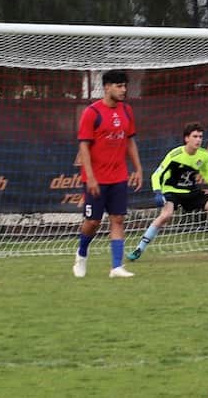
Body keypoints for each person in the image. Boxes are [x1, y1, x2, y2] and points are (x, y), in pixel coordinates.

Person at [128, 122, 208, 262]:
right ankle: (138, 249)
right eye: (195, 136)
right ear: (186, 138)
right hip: (172, 191)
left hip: (191, 191)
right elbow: (156, 175)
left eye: (200, 137)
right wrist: (157, 192)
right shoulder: (175, 154)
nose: (198, 140)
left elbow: (207, 172)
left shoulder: (203, 155)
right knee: (166, 215)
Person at [73, 70, 144, 278]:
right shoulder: (92, 113)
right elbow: (84, 147)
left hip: (119, 176)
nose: (124, 90)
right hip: (96, 178)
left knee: (118, 219)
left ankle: (116, 267)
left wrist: (138, 168)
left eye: (125, 86)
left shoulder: (127, 111)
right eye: (119, 86)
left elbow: (130, 140)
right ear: (107, 87)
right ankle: (81, 254)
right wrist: (91, 177)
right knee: (92, 222)